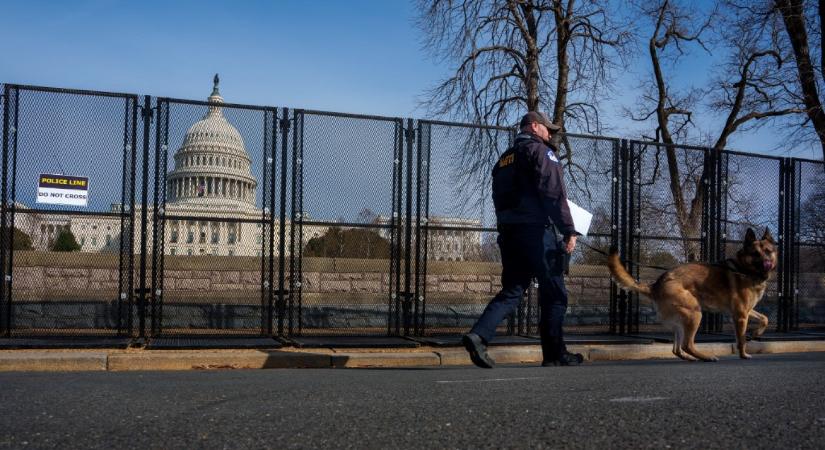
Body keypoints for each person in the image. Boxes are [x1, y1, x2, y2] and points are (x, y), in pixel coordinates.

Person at [462, 111, 583, 368]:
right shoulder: (541, 152)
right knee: (555, 294)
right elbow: (554, 194)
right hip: (537, 234)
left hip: (509, 233)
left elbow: (499, 199)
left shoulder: (504, 159)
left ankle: (479, 335)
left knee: (513, 290)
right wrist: (569, 230)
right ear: (535, 126)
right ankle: (554, 354)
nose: (550, 134)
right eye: (547, 129)